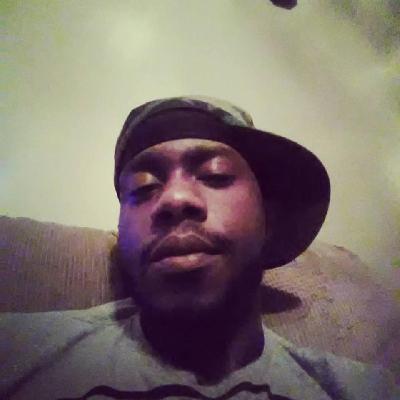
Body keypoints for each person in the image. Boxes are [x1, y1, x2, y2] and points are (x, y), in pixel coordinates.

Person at [0, 96, 398, 400]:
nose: (174, 199)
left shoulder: (364, 389)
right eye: (142, 187)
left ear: (269, 219)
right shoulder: (17, 352)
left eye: (215, 174)